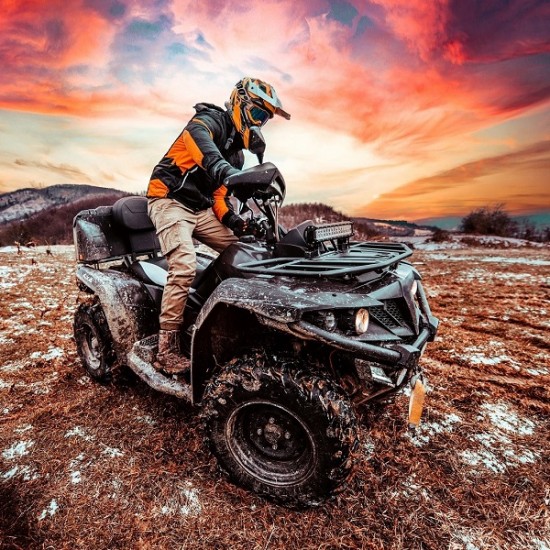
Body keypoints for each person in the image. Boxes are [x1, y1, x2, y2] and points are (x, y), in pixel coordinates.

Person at [146, 77, 290, 374]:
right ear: (240, 104)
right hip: (169, 200)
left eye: (264, 120)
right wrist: (225, 170)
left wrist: (237, 222)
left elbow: (219, 197)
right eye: (258, 115)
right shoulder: (208, 121)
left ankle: (226, 314)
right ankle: (166, 347)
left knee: (245, 253)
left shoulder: (236, 153)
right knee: (184, 263)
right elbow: (200, 146)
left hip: (199, 209)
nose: (259, 124)